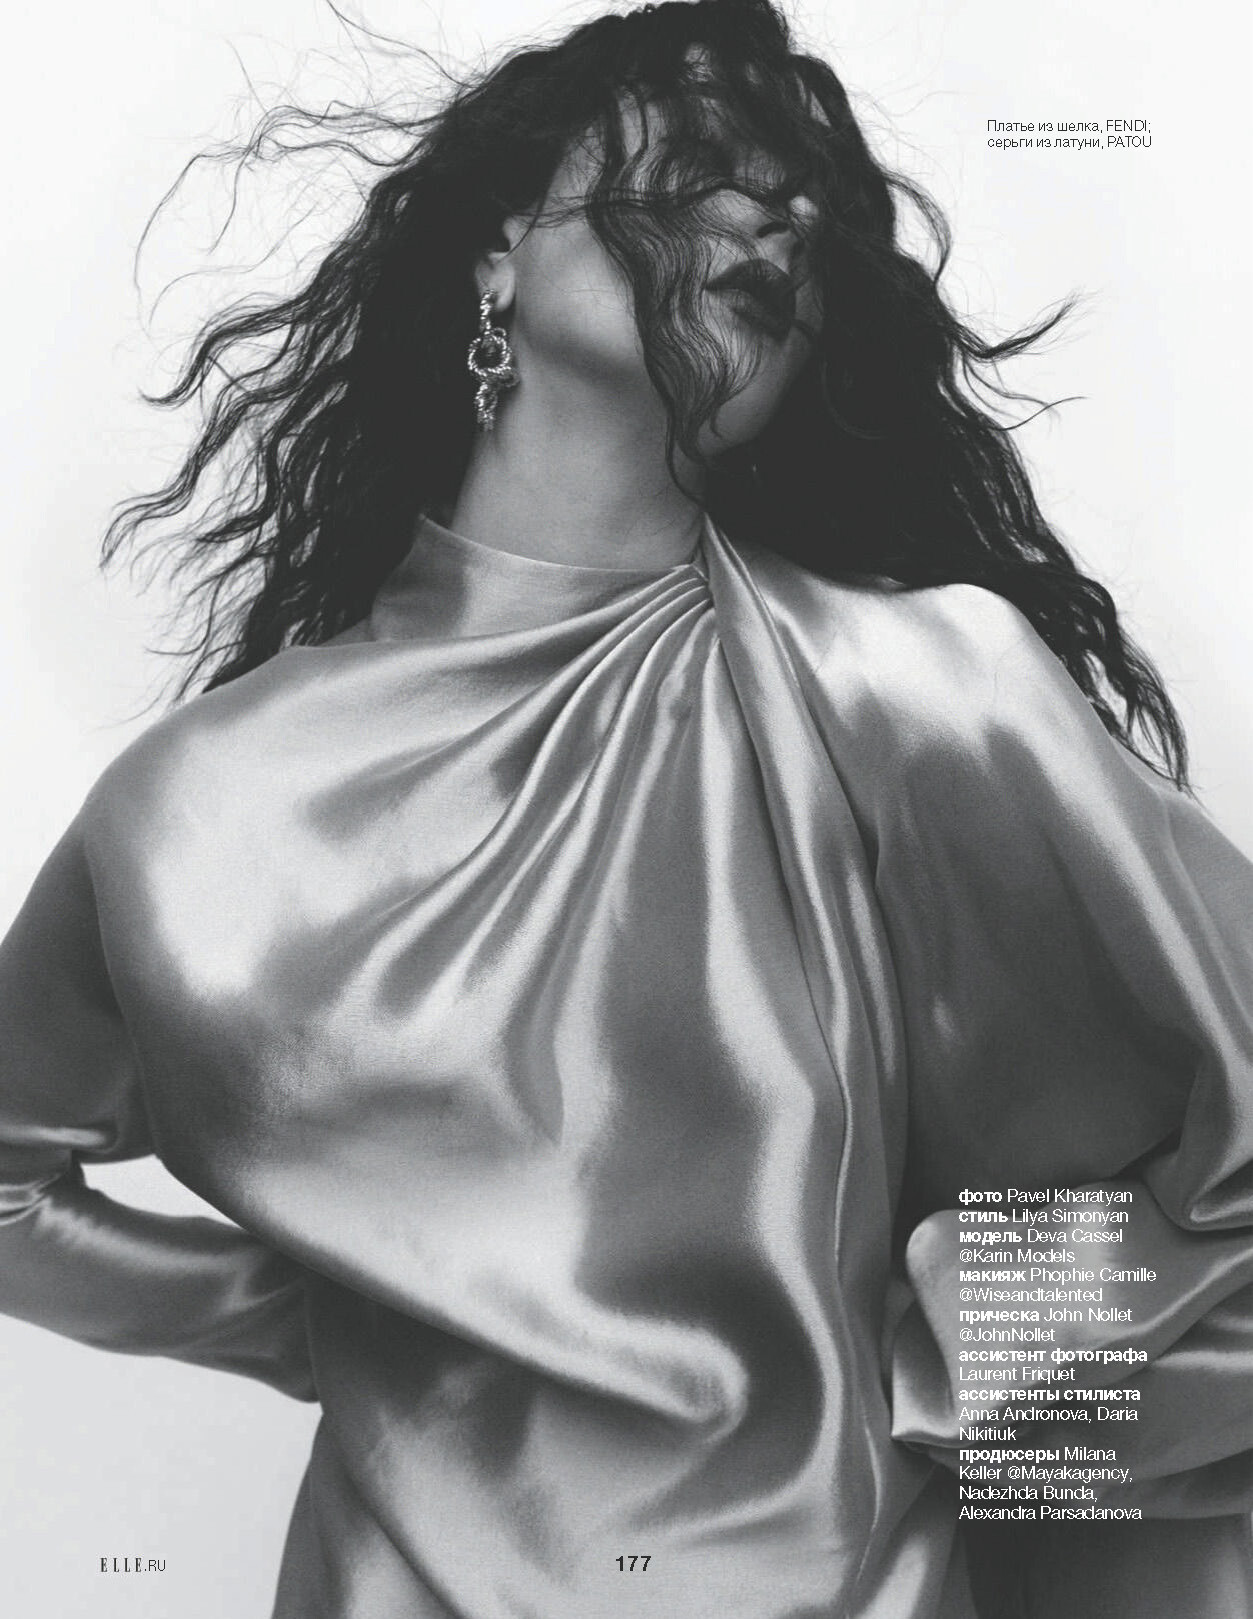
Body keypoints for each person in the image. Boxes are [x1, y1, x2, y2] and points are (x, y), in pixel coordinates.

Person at [1, 1, 1250, 1615]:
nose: (776, 209)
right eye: (707, 153)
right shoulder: (197, 800)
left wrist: (944, 1363)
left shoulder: (914, 693)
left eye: (809, 201)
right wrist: (348, 1322)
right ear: (495, 252)